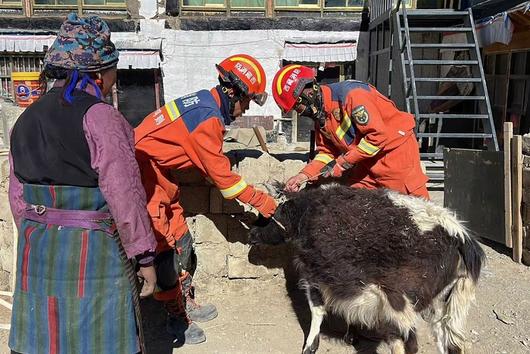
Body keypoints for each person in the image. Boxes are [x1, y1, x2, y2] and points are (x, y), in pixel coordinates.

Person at [8, 13, 157, 354]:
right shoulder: (101, 117)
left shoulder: (25, 119)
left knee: (45, 337)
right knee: (99, 336)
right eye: (113, 71)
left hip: (38, 248)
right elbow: (125, 193)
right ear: (99, 73)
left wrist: (43, 232)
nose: (113, 81)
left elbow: (17, 198)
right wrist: (144, 255)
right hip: (94, 250)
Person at [134, 54, 277, 344]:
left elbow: (205, 162)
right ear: (232, 91)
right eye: (246, 100)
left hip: (160, 174)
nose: (245, 108)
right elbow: (224, 181)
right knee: (163, 251)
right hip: (143, 176)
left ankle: (184, 300)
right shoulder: (207, 120)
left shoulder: (204, 102)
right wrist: (263, 203)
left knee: (182, 239)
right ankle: (174, 317)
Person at [272, 65, 430, 199]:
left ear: (308, 94)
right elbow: (326, 153)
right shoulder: (321, 116)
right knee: (357, 205)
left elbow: (378, 137)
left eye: (295, 107)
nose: (298, 113)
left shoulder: (352, 95)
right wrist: (303, 176)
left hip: (394, 154)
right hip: (364, 162)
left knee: (412, 210)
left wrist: (341, 163)